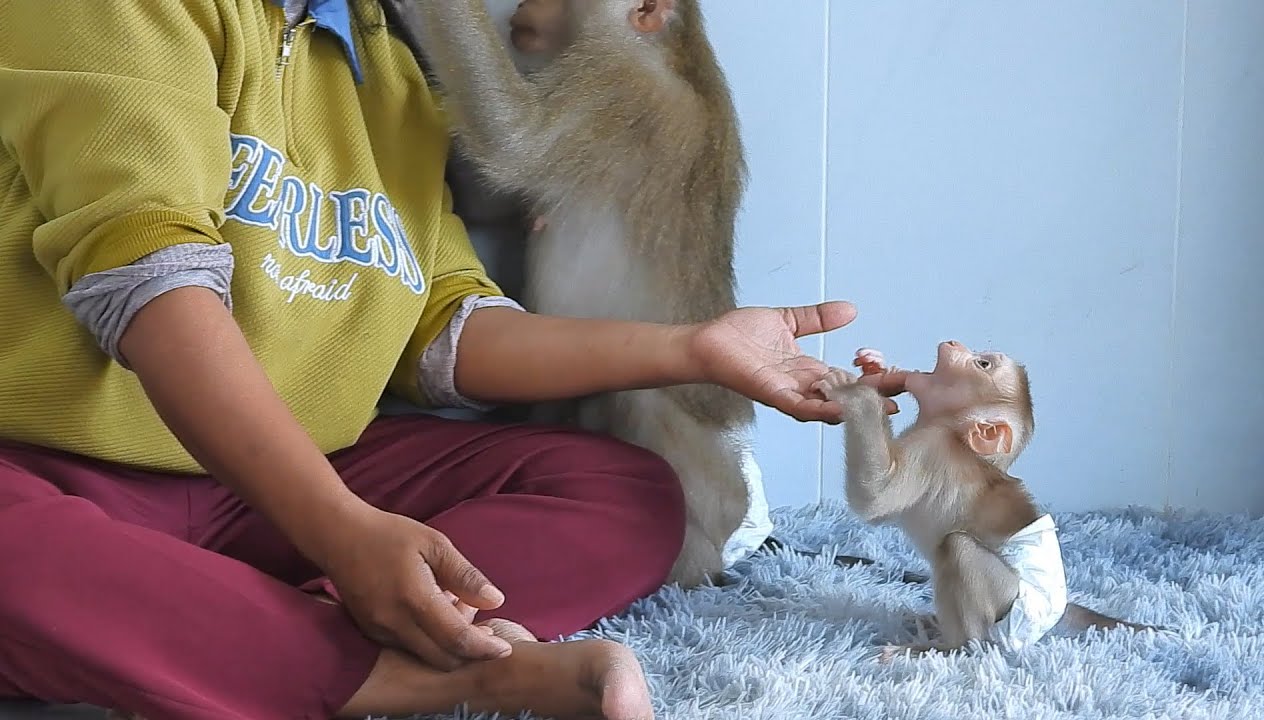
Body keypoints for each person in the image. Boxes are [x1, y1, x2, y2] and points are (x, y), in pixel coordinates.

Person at [0, 1, 877, 718]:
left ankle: (199, 629)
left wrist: (690, 347)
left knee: (631, 491)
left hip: (307, 472)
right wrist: (340, 532)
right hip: (51, 461)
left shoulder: (387, 68)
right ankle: (425, 674)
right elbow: (146, 277)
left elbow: (445, 323)